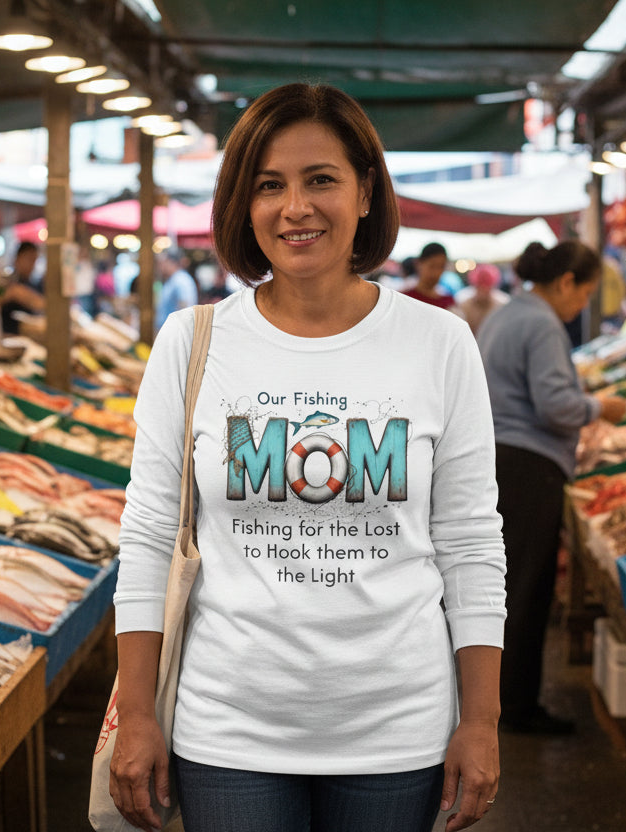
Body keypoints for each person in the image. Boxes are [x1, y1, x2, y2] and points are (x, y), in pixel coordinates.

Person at [109, 82, 505, 832]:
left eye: (321, 179)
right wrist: (136, 714)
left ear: (365, 192)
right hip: (227, 728)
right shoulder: (191, 343)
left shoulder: (440, 342)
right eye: (269, 185)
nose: (295, 208)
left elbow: (470, 542)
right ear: (242, 203)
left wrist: (481, 719)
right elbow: (149, 536)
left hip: (398, 729)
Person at [477, 240, 626, 735]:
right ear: (565, 283)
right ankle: (517, 708)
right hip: (529, 465)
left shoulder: (508, 311)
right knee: (526, 588)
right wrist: (600, 407)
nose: (581, 305)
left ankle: (497, 698)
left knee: (505, 586)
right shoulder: (542, 323)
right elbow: (555, 405)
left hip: (499, 458)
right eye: (584, 295)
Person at [0, 241, 46, 335]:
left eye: (34, 260)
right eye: (29, 259)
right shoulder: (6, 282)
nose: (32, 265)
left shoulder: (34, 284)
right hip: (9, 335)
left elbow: (41, 303)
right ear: (17, 258)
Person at [453, 263, 509, 336]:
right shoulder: (463, 303)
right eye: (480, 287)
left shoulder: (502, 304)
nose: (483, 290)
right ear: (475, 286)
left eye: (487, 287)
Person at [402, 242, 455, 309]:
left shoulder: (448, 302)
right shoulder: (405, 297)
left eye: (441, 267)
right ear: (419, 264)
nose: (436, 272)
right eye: (432, 266)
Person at [155, 249, 199, 329]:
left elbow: (185, 308)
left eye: (163, 262)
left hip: (174, 331)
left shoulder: (181, 280)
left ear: (171, 262)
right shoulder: (172, 279)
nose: (160, 266)